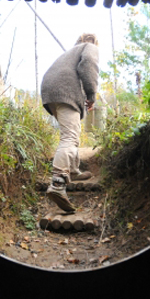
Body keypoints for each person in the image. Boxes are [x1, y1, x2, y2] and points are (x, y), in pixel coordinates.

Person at [41, 33, 99, 213]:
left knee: (72, 133)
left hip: (51, 92)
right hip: (65, 91)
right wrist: (91, 94)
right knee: (69, 138)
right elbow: (89, 63)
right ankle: (58, 183)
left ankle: (73, 171)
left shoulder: (69, 53)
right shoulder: (89, 47)